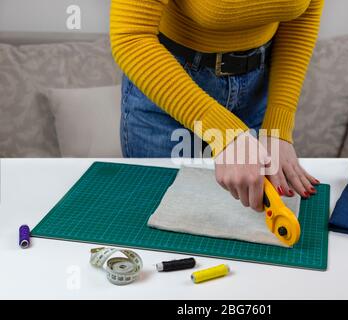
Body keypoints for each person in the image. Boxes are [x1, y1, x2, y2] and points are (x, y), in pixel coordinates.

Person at [110, 0, 324, 212]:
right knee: (156, 219)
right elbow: (130, 37)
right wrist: (224, 132)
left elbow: (302, 19)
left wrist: (277, 126)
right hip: (169, 88)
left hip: (258, 90)